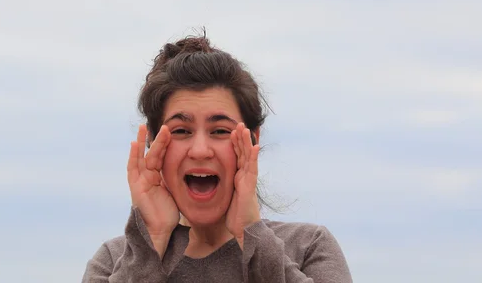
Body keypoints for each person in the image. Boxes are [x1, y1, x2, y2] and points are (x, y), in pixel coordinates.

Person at [81, 33, 353, 282]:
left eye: (220, 130)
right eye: (181, 130)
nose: (200, 150)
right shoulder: (112, 263)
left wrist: (253, 235)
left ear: (253, 139)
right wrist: (150, 243)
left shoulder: (308, 247)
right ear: (154, 144)